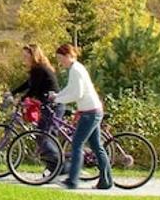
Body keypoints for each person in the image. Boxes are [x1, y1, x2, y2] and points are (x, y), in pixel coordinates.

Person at [50, 43, 111, 190]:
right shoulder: (76, 69)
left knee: (77, 144)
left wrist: (57, 99)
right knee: (97, 147)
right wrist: (58, 96)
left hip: (90, 112)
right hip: (92, 110)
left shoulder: (75, 70)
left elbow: (78, 94)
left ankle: (73, 180)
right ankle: (106, 181)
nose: (60, 62)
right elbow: (71, 89)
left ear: (69, 56)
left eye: (61, 58)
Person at [10, 43, 62, 173]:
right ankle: (54, 168)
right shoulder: (38, 69)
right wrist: (13, 92)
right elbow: (28, 84)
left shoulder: (39, 69)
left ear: (33, 55)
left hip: (52, 105)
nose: (24, 58)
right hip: (53, 104)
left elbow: (34, 89)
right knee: (48, 136)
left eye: (26, 55)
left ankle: (59, 165)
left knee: (42, 135)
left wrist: (21, 99)